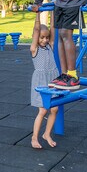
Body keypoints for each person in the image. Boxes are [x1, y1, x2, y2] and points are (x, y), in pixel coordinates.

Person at [30, 12, 59, 148]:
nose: (44, 40)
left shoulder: (50, 45)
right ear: (36, 38)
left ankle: (46, 134)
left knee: (54, 109)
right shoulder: (34, 49)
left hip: (52, 79)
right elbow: (36, 29)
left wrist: (53, 11)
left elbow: (53, 27)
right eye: (42, 37)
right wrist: (37, 14)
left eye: (46, 37)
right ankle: (34, 138)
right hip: (41, 82)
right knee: (42, 110)